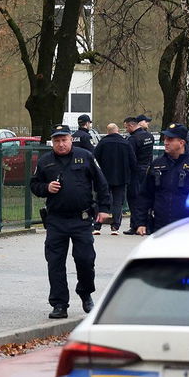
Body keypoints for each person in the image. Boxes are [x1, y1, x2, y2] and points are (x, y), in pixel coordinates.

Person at [29, 125, 111, 318]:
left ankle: (85, 293)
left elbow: (101, 183)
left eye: (64, 139)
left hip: (81, 219)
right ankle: (59, 304)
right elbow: (34, 185)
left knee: (85, 259)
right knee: (55, 263)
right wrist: (46, 187)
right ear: (52, 142)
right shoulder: (45, 161)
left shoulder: (85, 156)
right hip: (56, 220)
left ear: (70, 140)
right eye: (57, 140)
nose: (61, 144)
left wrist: (105, 208)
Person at [135, 125, 189, 235]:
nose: (165, 142)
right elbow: (145, 195)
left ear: (181, 143)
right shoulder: (157, 164)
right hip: (161, 225)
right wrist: (141, 223)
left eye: (170, 139)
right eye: (165, 139)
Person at [92, 123, 136, 235]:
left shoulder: (102, 143)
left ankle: (97, 226)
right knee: (118, 202)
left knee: (100, 200)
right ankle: (115, 226)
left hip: (104, 178)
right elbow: (133, 161)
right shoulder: (125, 143)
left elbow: (94, 159)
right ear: (117, 131)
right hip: (121, 177)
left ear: (108, 132)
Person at [123, 114, 154, 234]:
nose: (126, 130)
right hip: (147, 169)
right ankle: (147, 225)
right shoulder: (149, 136)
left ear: (131, 126)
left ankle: (135, 225)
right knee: (146, 197)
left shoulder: (132, 139)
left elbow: (131, 157)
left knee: (134, 198)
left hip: (136, 172)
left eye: (126, 127)